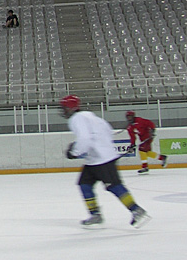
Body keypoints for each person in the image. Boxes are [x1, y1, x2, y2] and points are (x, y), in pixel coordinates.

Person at [60, 95, 150, 229]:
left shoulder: (76, 119)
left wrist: (74, 152)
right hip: (95, 159)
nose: (63, 111)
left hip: (102, 159)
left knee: (114, 186)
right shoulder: (91, 116)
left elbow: (85, 138)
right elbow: (108, 130)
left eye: (65, 108)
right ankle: (95, 214)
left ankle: (136, 210)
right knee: (84, 184)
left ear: (71, 108)